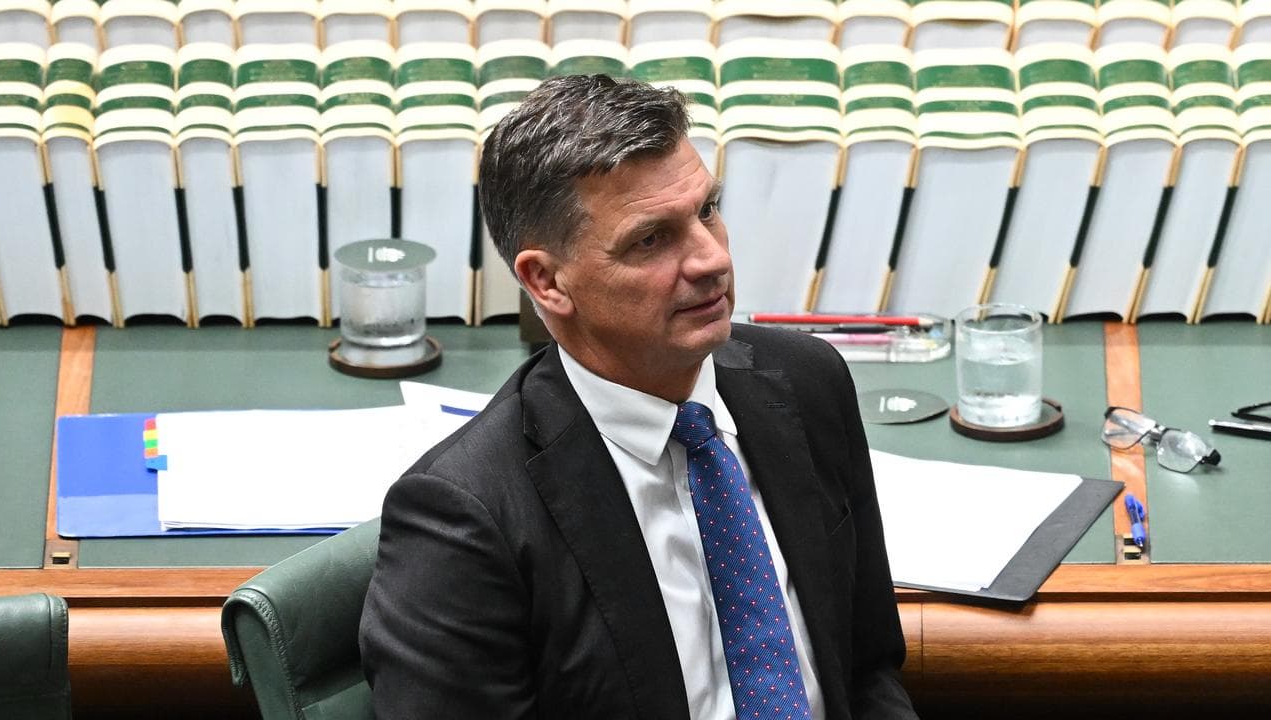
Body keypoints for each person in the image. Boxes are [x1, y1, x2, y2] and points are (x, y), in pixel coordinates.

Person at [360, 74, 917, 720]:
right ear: (547, 282)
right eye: (652, 240)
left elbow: (868, 668)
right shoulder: (462, 523)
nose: (710, 259)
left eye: (707, 209)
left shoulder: (807, 382)